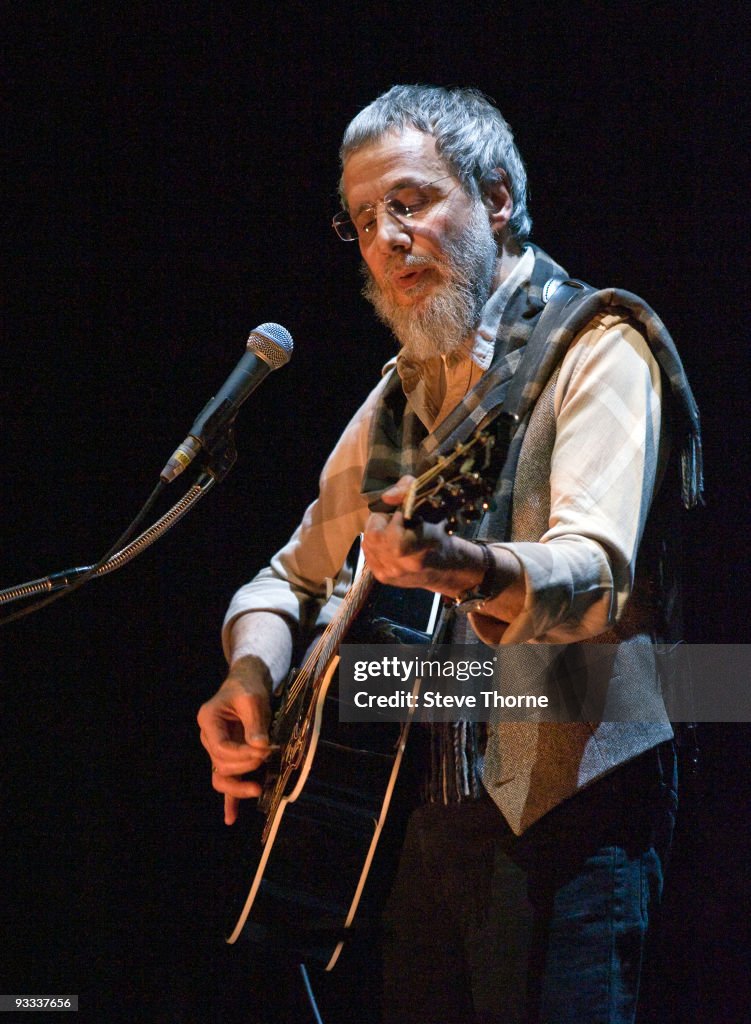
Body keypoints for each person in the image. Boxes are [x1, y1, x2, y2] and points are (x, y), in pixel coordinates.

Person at [197, 85, 702, 1023]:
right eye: (362, 220)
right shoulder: (396, 398)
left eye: (411, 201)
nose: (387, 238)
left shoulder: (599, 345)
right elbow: (283, 579)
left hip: (571, 800)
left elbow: (593, 575)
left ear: (497, 197)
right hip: (421, 822)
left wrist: (463, 568)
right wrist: (252, 674)